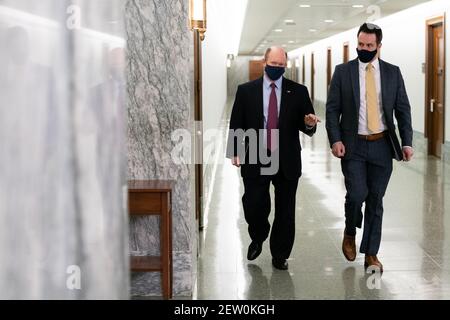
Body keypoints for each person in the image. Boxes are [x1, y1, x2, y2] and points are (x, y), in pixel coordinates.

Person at [325, 23, 413, 272]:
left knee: (376, 199)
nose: (363, 49)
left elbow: (403, 110)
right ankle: (350, 230)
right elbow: (332, 110)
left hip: (382, 145)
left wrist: (407, 142)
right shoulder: (343, 72)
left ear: (379, 46)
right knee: (356, 194)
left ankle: (371, 253)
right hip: (353, 146)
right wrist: (335, 139)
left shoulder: (392, 73)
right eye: (360, 44)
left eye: (369, 46)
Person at [226, 46, 320, 270]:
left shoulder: (298, 91)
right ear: (264, 62)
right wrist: (235, 151)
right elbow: (237, 122)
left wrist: (309, 124)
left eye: (281, 65)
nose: (277, 68)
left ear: (285, 65)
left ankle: (280, 254)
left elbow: (307, 122)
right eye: (273, 64)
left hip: (286, 157)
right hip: (256, 154)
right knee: (254, 203)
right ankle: (258, 235)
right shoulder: (246, 91)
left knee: (286, 210)